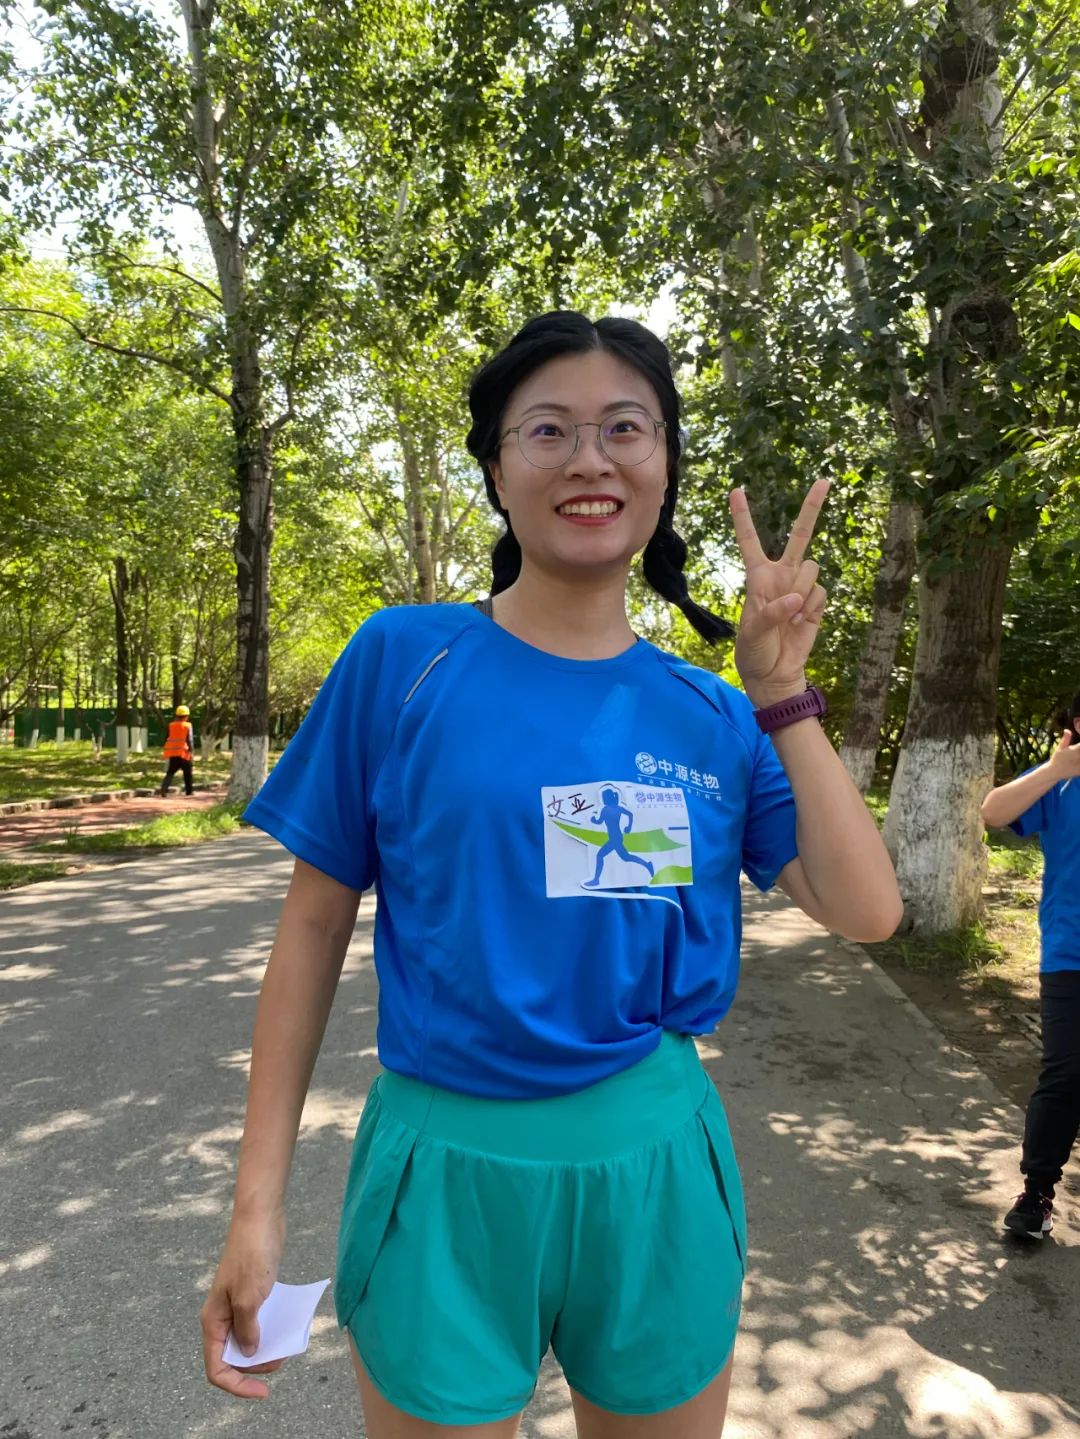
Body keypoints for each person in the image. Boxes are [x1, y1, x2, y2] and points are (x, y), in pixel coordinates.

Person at [200, 311, 903, 1437]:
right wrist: (256, 1208)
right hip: (445, 1175)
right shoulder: (402, 659)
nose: (590, 459)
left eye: (625, 427)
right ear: (496, 468)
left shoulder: (713, 714)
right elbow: (313, 929)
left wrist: (780, 692)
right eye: (548, 430)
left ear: (664, 464)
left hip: (657, 1175)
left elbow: (868, 909)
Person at [981, 689, 1080, 1240]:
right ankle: (1038, 1191)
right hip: (1070, 952)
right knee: (1065, 1072)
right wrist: (1053, 768)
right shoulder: (1059, 782)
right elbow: (993, 813)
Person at [159, 704, 195, 796]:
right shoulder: (188, 725)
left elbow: (167, 738)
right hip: (184, 753)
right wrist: (191, 751)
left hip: (173, 752)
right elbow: (190, 739)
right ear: (186, 716)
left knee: (170, 772)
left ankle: (164, 788)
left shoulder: (171, 725)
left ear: (177, 715)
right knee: (187, 772)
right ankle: (189, 791)